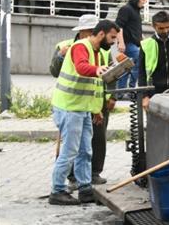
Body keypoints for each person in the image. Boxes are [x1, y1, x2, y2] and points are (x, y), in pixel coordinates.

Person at [49, 19, 122, 206]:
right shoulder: (80, 47)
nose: (114, 42)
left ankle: (85, 189)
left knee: (85, 151)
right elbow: (82, 68)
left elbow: (95, 86)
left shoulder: (97, 52)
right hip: (69, 108)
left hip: (82, 108)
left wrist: (97, 110)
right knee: (70, 151)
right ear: (100, 34)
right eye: (112, 37)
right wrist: (97, 69)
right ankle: (57, 191)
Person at [114, 0, 146, 91]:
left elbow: (135, 27)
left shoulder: (136, 11)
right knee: (131, 64)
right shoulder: (126, 9)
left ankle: (127, 89)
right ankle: (124, 90)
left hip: (136, 43)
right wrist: (121, 43)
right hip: (128, 43)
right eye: (142, 0)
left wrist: (142, 37)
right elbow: (118, 26)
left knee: (129, 67)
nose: (144, 2)